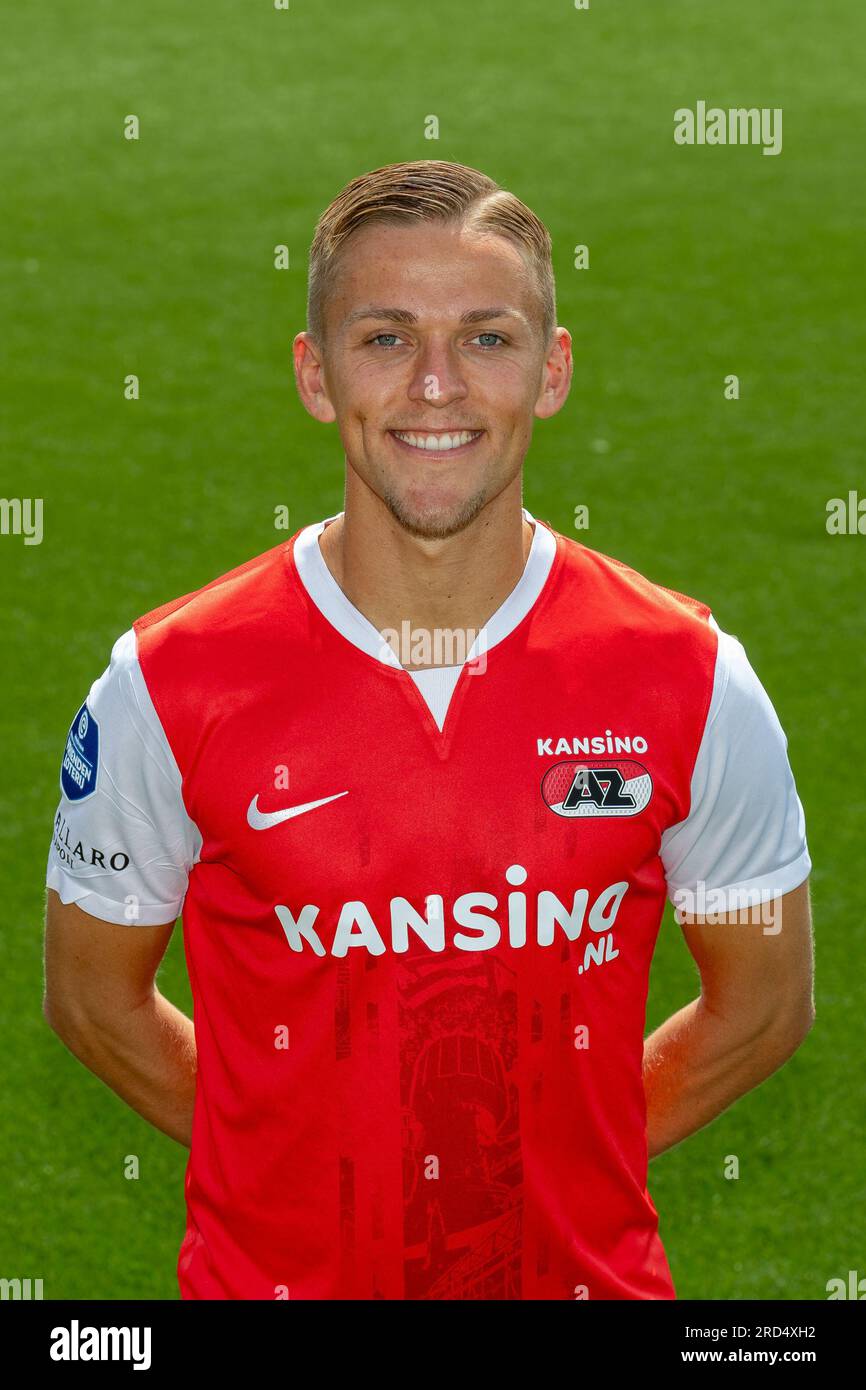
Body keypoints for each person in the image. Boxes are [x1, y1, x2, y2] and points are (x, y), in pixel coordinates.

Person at [43, 159, 814, 1301]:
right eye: (387, 338)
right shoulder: (165, 682)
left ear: (551, 372)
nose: (437, 385)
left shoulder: (690, 677)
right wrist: (296, 1161)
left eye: (488, 339)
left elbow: (761, 1009)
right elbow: (93, 1002)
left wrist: (528, 1166)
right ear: (315, 374)